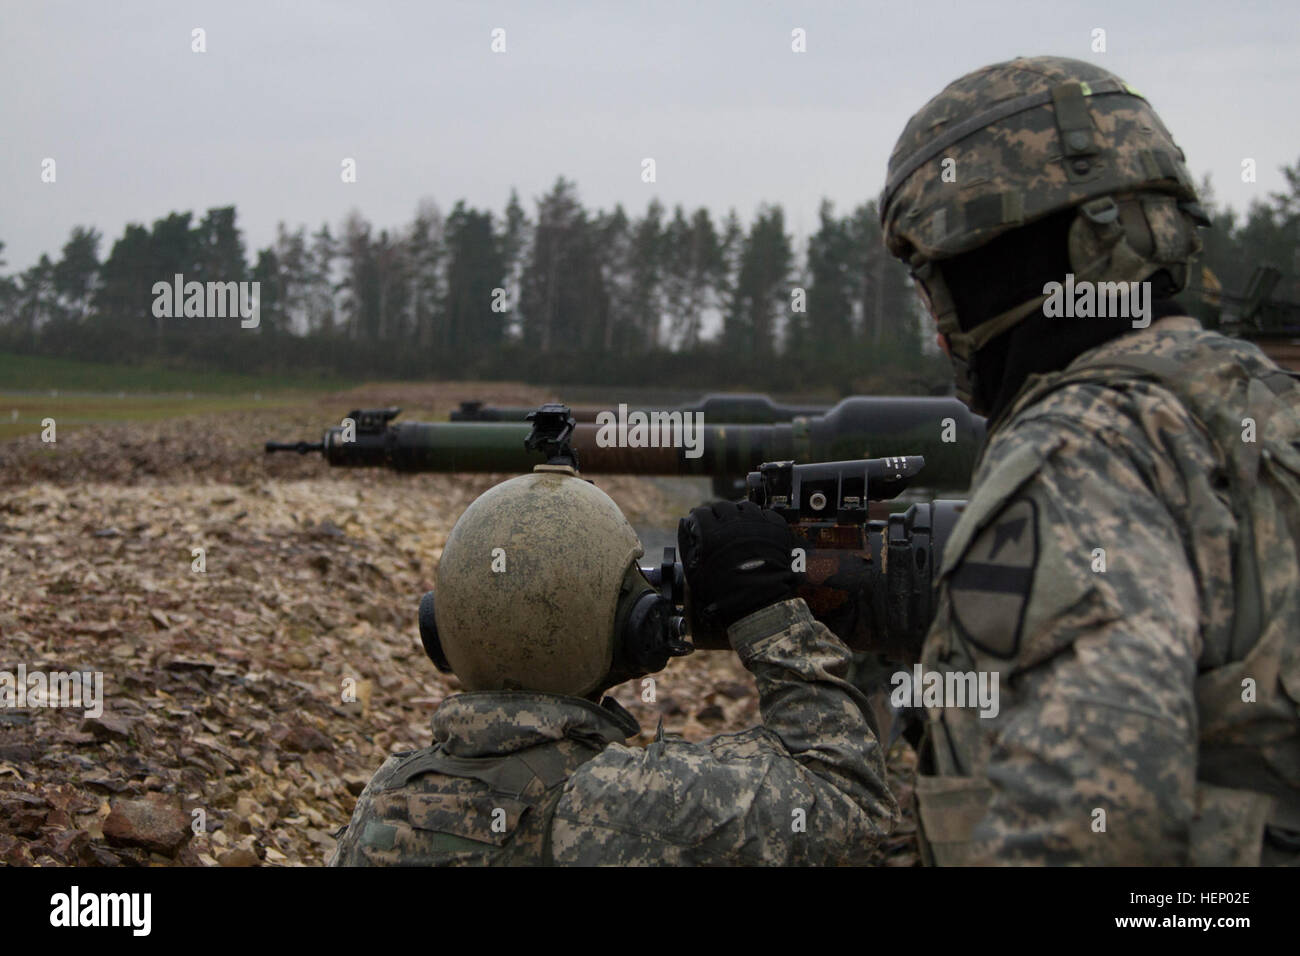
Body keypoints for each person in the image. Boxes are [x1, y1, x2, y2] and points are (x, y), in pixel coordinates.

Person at [874, 55, 1300, 864]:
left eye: (934, 283)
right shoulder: (1267, 402)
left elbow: (1095, 821)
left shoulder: (1078, 450)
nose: (935, 320)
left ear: (987, 267)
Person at [329, 454, 897, 865]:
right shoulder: (616, 802)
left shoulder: (388, 794)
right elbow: (850, 804)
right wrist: (770, 616)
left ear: (445, 627)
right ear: (632, 630)